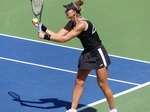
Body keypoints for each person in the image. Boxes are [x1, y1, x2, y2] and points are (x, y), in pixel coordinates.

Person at [32, 0, 117, 112]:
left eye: (68, 10)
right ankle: (73, 109)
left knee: (102, 84)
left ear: (74, 12)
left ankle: (112, 109)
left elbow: (64, 39)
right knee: (78, 82)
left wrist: (45, 37)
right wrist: (42, 27)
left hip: (97, 53)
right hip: (87, 53)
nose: (65, 11)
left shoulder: (82, 24)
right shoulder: (71, 23)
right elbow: (58, 35)